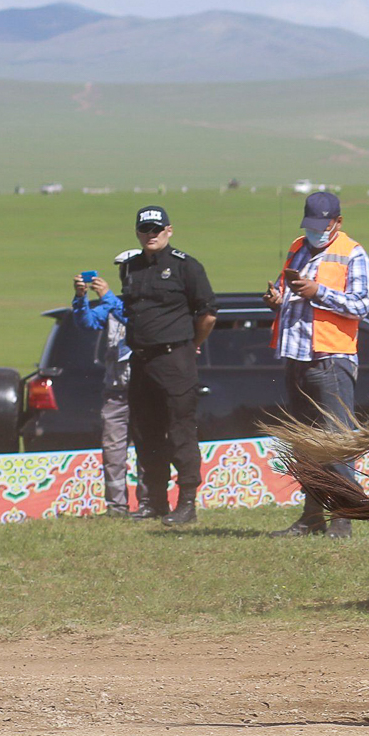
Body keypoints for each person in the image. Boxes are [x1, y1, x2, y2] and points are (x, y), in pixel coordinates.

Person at [265, 191, 369, 539]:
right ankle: (311, 515)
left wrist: (318, 292)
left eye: (321, 226)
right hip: (296, 356)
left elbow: (361, 306)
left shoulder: (353, 253)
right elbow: (288, 294)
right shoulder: (297, 247)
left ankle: (343, 518)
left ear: (337, 222)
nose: (314, 232)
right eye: (309, 226)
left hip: (331, 359)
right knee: (305, 443)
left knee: (336, 441)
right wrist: (277, 300)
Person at [119, 205, 217, 525]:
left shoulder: (186, 267)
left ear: (169, 231)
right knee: (146, 433)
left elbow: (207, 314)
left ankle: (186, 503)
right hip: (142, 361)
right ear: (137, 232)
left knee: (180, 432)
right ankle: (154, 500)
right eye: (145, 230)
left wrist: (193, 346)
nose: (151, 235)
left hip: (175, 359)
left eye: (157, 230)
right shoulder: (130, 268)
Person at [70, 250, 148, 517]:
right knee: (113, 451)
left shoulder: (145, 301)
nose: (124, 274)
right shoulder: (112, 303)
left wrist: (108, 297)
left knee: (147, 448)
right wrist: (81, 298)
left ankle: (148, 503)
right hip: (115, 391)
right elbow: (87, 323)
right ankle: (117, 507)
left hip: (142, 390)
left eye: (128, 268)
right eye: (121, 269)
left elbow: (134, 319)